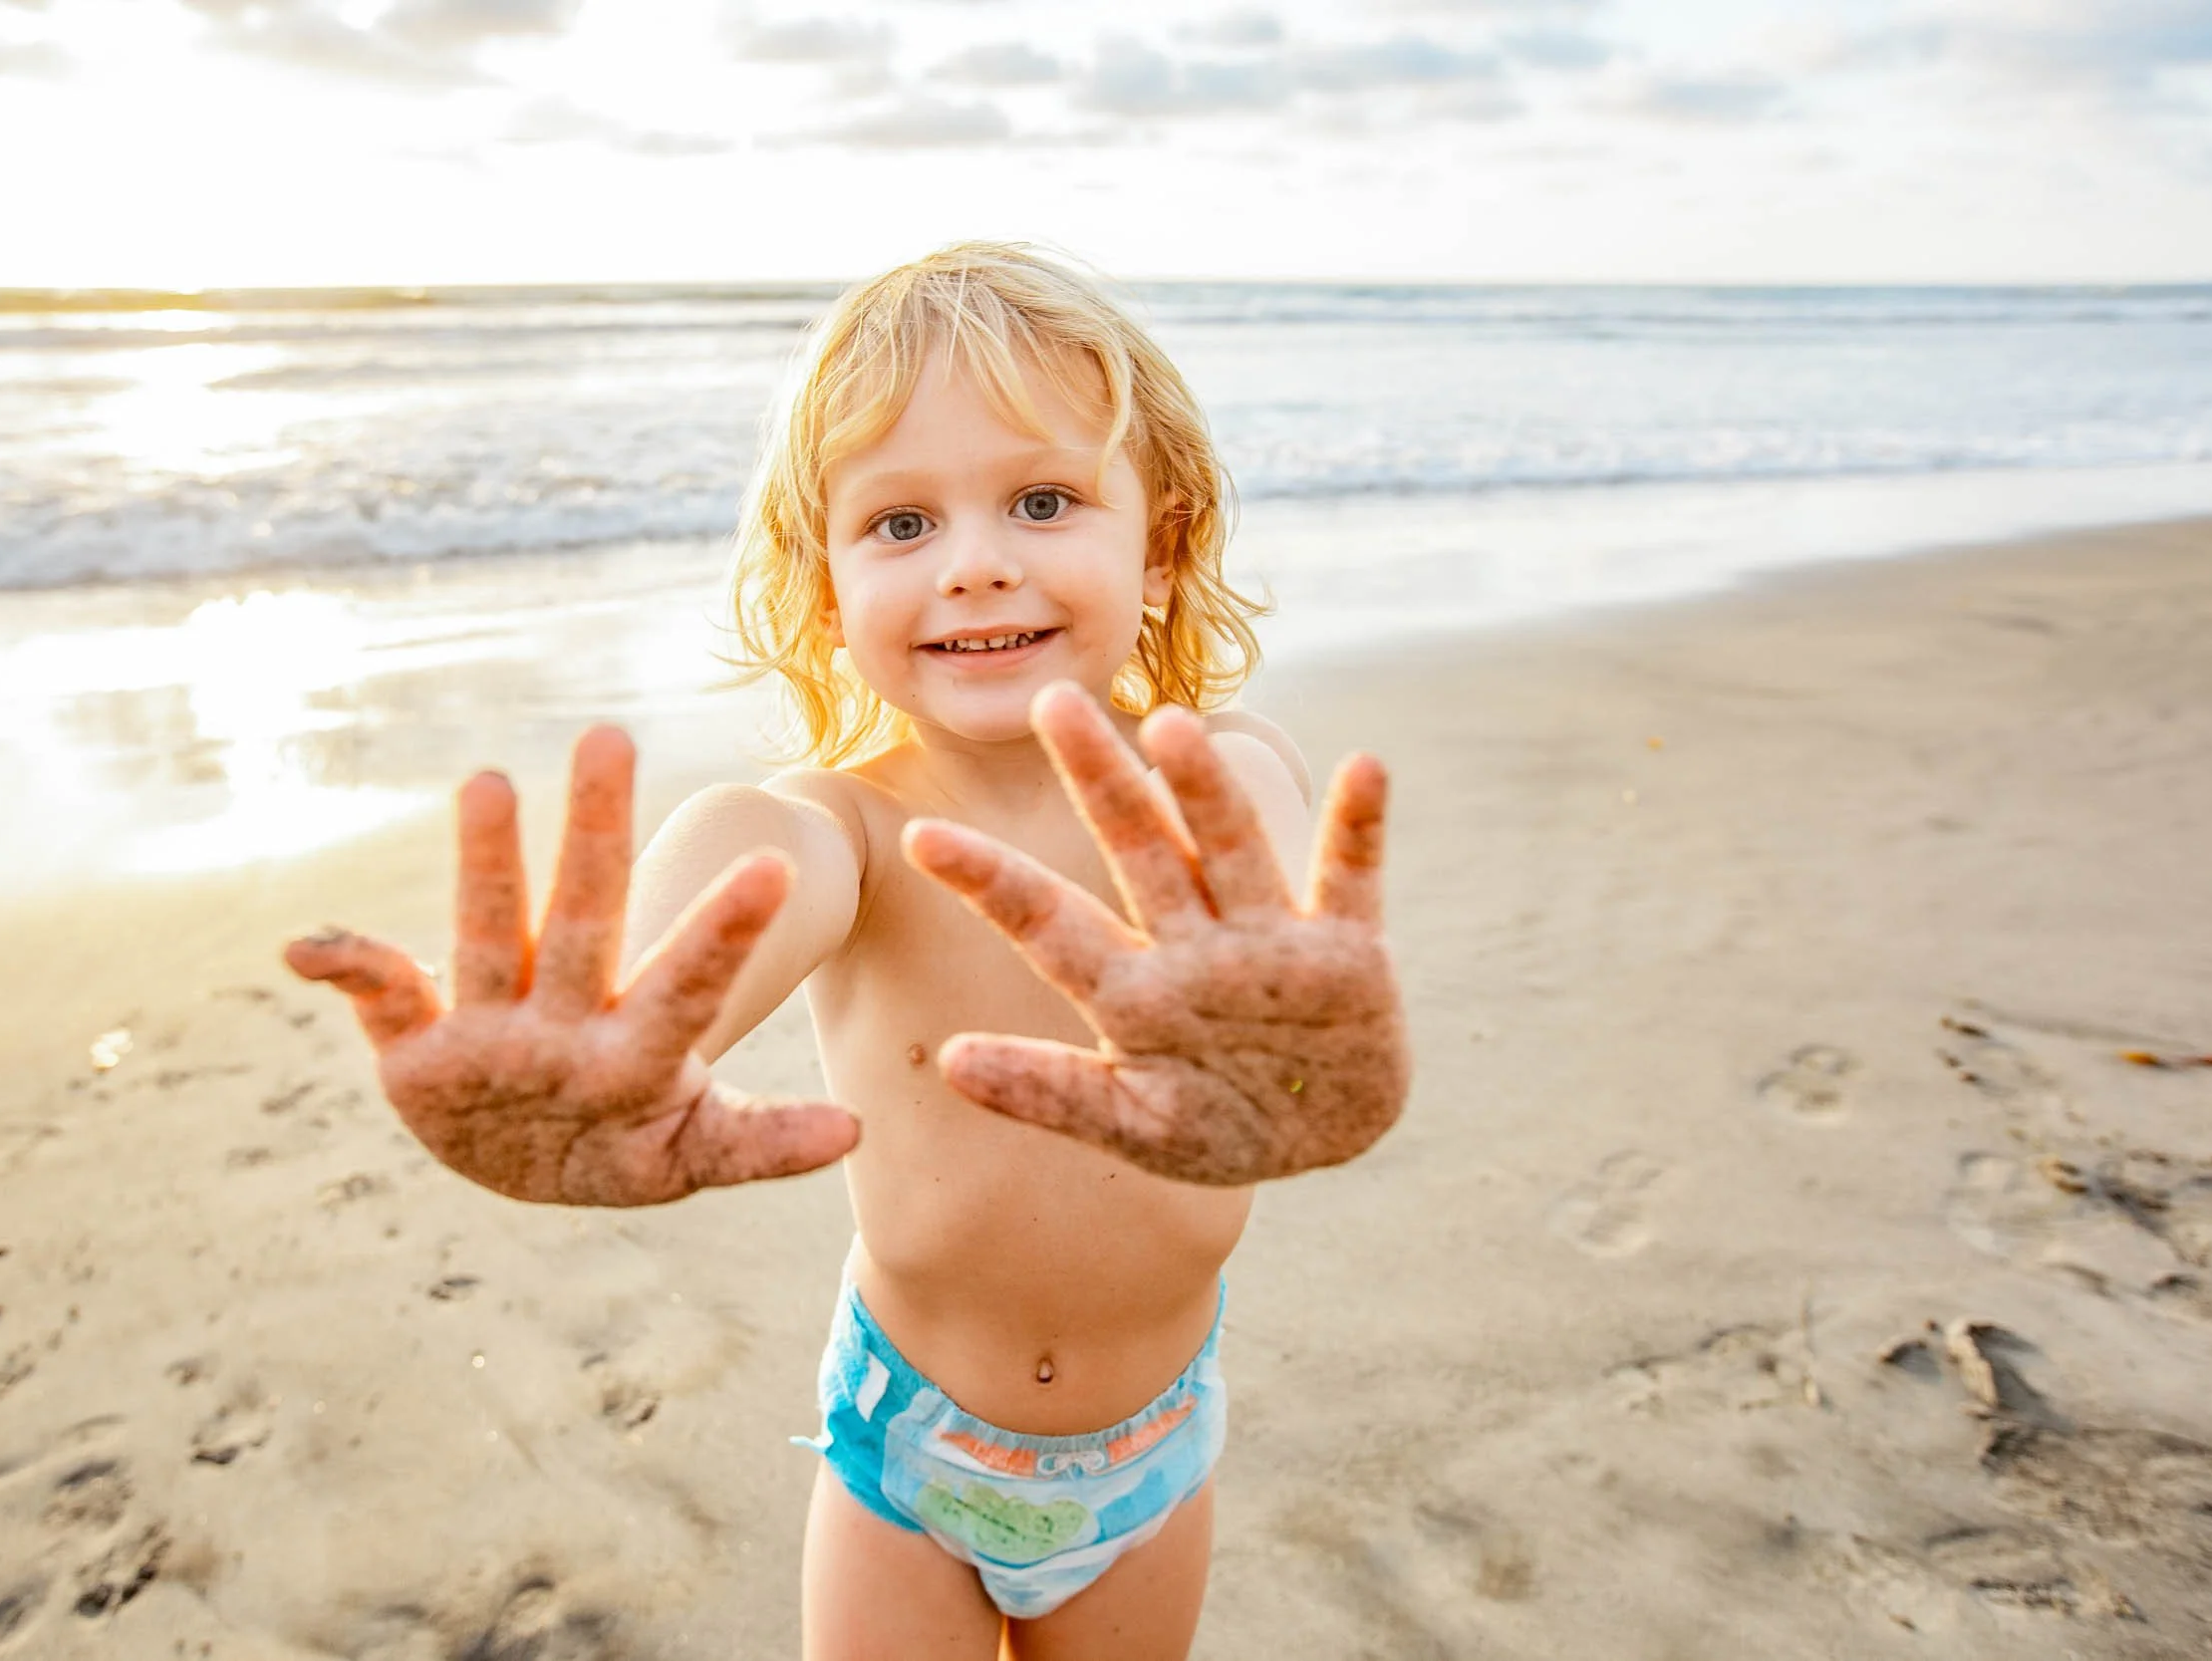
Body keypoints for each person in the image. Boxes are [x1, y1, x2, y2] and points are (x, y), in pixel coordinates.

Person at [285, 241, 1413, 1660]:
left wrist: (1302, 1070)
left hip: (1153, 1442)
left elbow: (1267, 907)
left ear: (1165, 542)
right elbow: (736, 889)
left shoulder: (1223, 778)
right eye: (898, 525)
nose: (977, 560)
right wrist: (594, 1058)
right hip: (910, 1450)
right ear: (824, 590)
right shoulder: (841, 829)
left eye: (1044, 499)